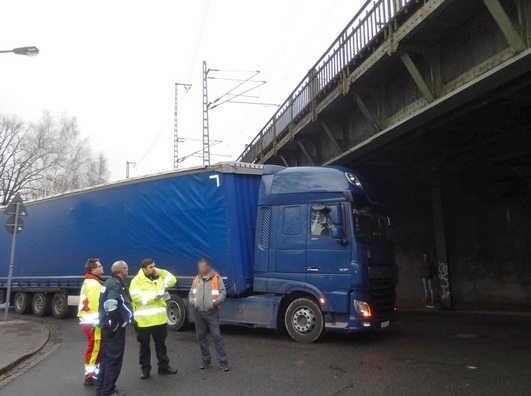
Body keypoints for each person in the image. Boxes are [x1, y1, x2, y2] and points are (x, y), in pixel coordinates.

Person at [129, 258, 177, 379]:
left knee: (161, 345)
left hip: (160, 319)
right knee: (144, 347)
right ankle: (145, 370)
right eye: (151, 267)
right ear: (144, 269)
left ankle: (164, 367)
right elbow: (137, 298)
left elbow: (172, 280)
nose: (154, 268)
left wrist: (162, 272)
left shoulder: (158, 276)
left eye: (154, 266)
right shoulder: (136, 281)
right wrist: (154, 298)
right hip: (144, 321)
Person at [97, 261, 133, 396]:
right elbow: (110, 303)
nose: (128, 270)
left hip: (106, 326)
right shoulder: (116, 284)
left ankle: (101, 389)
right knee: (114, 361)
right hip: (113, 328)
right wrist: (113, 323)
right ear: (121, 270)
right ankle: (108, 391)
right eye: (126, 268)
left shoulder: (108, 282)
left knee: (106, 359)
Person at [189, 258, 229, 371]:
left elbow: (223, 292)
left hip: (211, 312)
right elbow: (191, 293)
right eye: (199, 267)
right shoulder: (197, 279)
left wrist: (214, 303)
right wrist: (193, 302)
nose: (201, 269)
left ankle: (223, 362)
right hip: (198, 313)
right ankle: (206, 360)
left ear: (207, 267)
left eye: (203, 267)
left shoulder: (216, 278)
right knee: (201, 337)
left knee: (217, 337)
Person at [77, 258, 105, 386]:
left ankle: (94, 373)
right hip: (93, 323)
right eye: (100, 266)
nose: (102, 267)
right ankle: (90, 376)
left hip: (90, 321)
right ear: (93, 269)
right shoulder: (93, 284)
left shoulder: (91, 281)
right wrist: (100, 322)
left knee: (96, 348)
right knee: (94, 348)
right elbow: (95, 306)